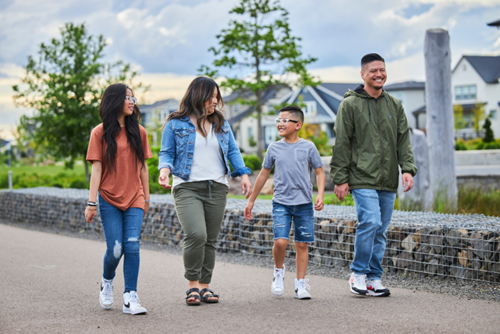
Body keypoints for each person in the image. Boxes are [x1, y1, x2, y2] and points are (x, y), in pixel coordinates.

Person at [158, 76, 252, 306]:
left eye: (216, 97)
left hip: (217, 186)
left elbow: (232, 151)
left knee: (210, 239)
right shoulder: (175, 123)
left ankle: (205, 286)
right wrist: (164, 170)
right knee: (196, 234)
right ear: (198, 96)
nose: (215, 101)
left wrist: (244, 174)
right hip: (187, 186)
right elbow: (166, 152)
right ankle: (192, 286)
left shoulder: (221, 122)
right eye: (211, 97)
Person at [330, 53, 417, 297]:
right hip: (361, 176)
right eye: (373, 71)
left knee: (381, 229)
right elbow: (342, 143)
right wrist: (340, 177)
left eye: (382, 70)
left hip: (387, 178)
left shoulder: (394, 104)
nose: (379, 74)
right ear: (363, 74)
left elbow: (403, 140)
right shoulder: (350, 104)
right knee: (370, 221)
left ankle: (373, 278)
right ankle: (357, 273)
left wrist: (407, 169)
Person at [85, 83, 152, 315]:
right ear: (114, 101)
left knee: (132, 246)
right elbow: (96, 169)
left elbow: (143, 167)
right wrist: (91, 202)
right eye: (127, 97)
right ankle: (107, 281)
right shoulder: (99, 133)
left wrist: (146, 199)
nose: (132, 101)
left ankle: (130, 297)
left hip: (135, 196)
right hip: (109, 198)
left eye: (133, 98)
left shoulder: (139, 132)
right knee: (115, 249)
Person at [244, 106, 325, 300]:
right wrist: (251, 201)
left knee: (302, 244)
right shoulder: (274, 148)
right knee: (280, 241)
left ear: (298, 125)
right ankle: (278, 274)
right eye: (278, 120)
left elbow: (320, 172)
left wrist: (320, 194)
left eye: (285, 120)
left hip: (304, 204)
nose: (280, 123)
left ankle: (300, 285)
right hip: (281, 203)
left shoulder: (308, 147)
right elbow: (263, 174)